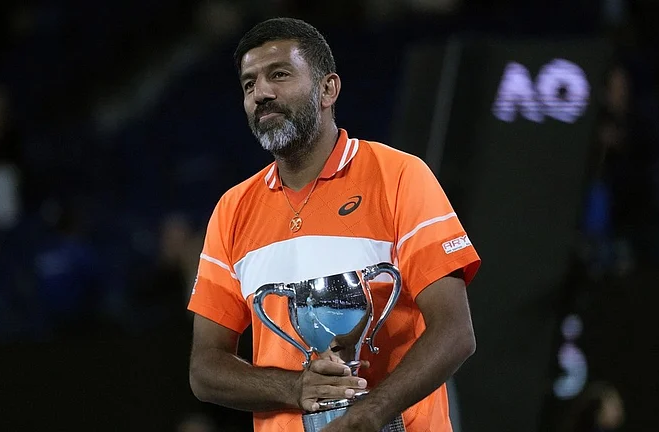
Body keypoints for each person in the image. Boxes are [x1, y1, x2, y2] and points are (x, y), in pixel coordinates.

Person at [187, 18, 481, 432]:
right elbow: (205, 368)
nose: (262, 94)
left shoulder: (399, 176)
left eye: (279, 75)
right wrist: (297, 388)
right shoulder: (232, 209)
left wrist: (371, 412)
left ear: (328, 89)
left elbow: (454, 332)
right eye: (249, 84)